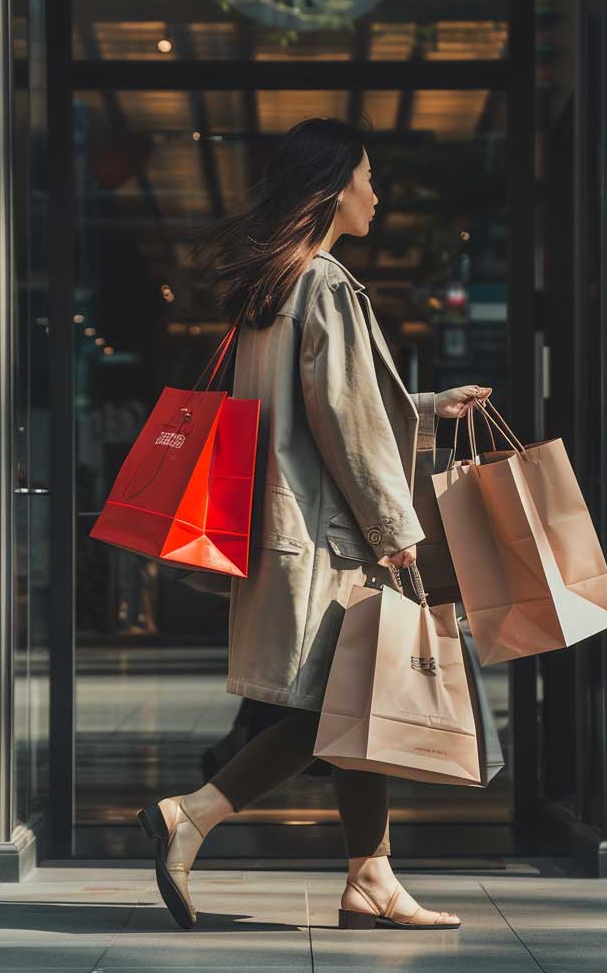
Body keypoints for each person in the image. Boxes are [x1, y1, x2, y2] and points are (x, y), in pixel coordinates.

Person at [138, 118, 491, 931]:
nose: (378, 192)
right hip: (336, 538)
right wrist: (396, 527)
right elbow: (345, 419)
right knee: (334, 707)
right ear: (335, 186)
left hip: (300, 529)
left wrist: (432, 409)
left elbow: (338, 409)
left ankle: (371, 879)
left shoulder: (279, 283)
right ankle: (192, 814)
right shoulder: (324, 282)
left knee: (353, 702)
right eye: (369, 177)